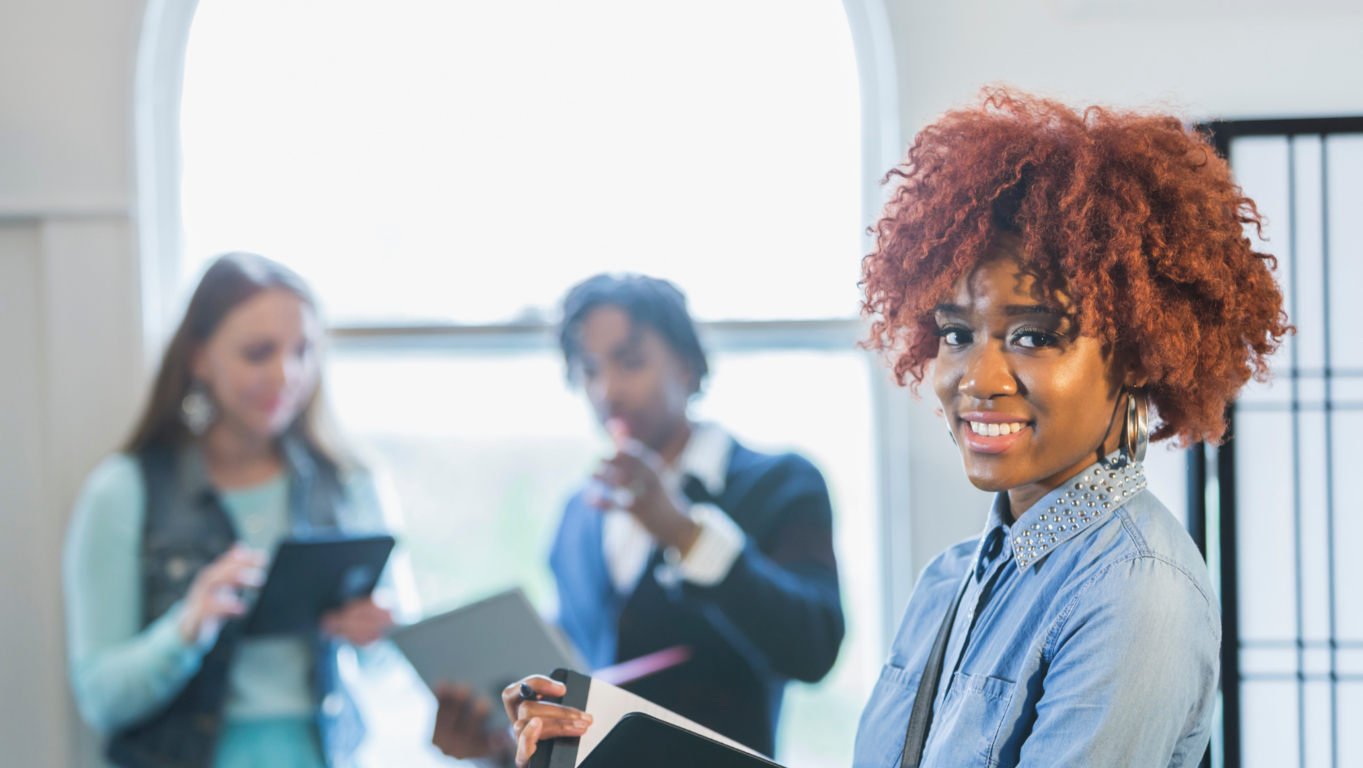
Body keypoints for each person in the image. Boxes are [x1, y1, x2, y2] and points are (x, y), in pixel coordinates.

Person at [487, 89, 1290, 767]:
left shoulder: (1134, 587)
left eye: (1034, 334)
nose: (976, 378)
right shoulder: (949, 580)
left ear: (1138, 351)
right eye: (952, 332)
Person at [431, 274, 845, 762]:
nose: (608, 391)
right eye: (588, 370)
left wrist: (684, 534)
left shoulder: (778, 483)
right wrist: (495, 748)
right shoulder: (576, 517)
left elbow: (813, 648)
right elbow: (576, 700)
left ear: (689, 365)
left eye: (630, 362)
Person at [64, 253, 413, 768]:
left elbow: (399, 663)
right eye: (257, 353)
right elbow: (101, 700)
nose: (286, 374)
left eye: (303, 351)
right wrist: (185, 631)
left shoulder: (352, 484)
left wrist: (378, 635)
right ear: (199, 357)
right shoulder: (122, 492)